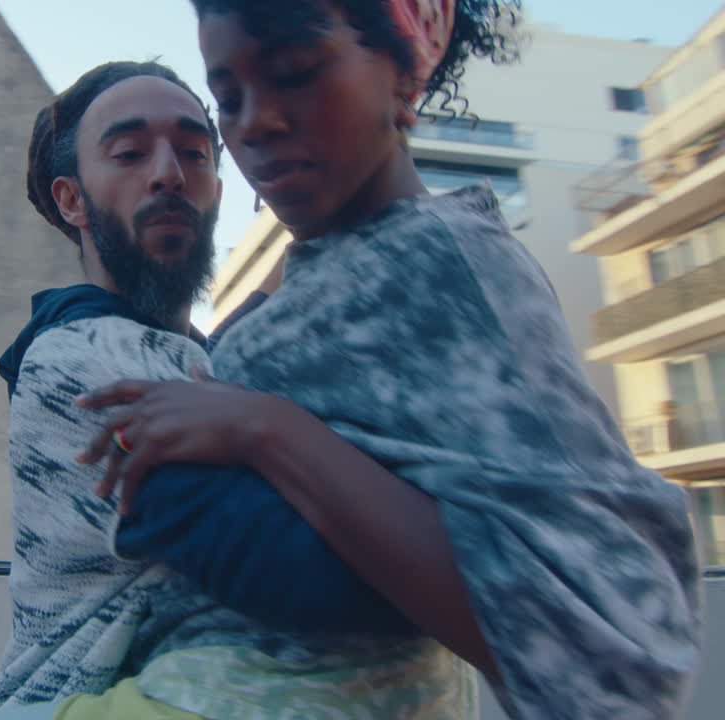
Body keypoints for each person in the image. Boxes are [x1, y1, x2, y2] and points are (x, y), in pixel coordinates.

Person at [72, 1, 704, 718]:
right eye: (230, 99)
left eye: (298, 73)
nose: (255, 124)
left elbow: (619, 658)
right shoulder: (328, 270)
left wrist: (267, 430)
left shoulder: (450, 263)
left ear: (403, 77)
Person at [0, 58, 477, 720]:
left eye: (195, 153)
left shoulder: (197, 363)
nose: (170, 172)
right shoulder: (77, 362)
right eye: (130, 153)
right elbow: (301, 575)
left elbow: (230, 354)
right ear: (72, 199)